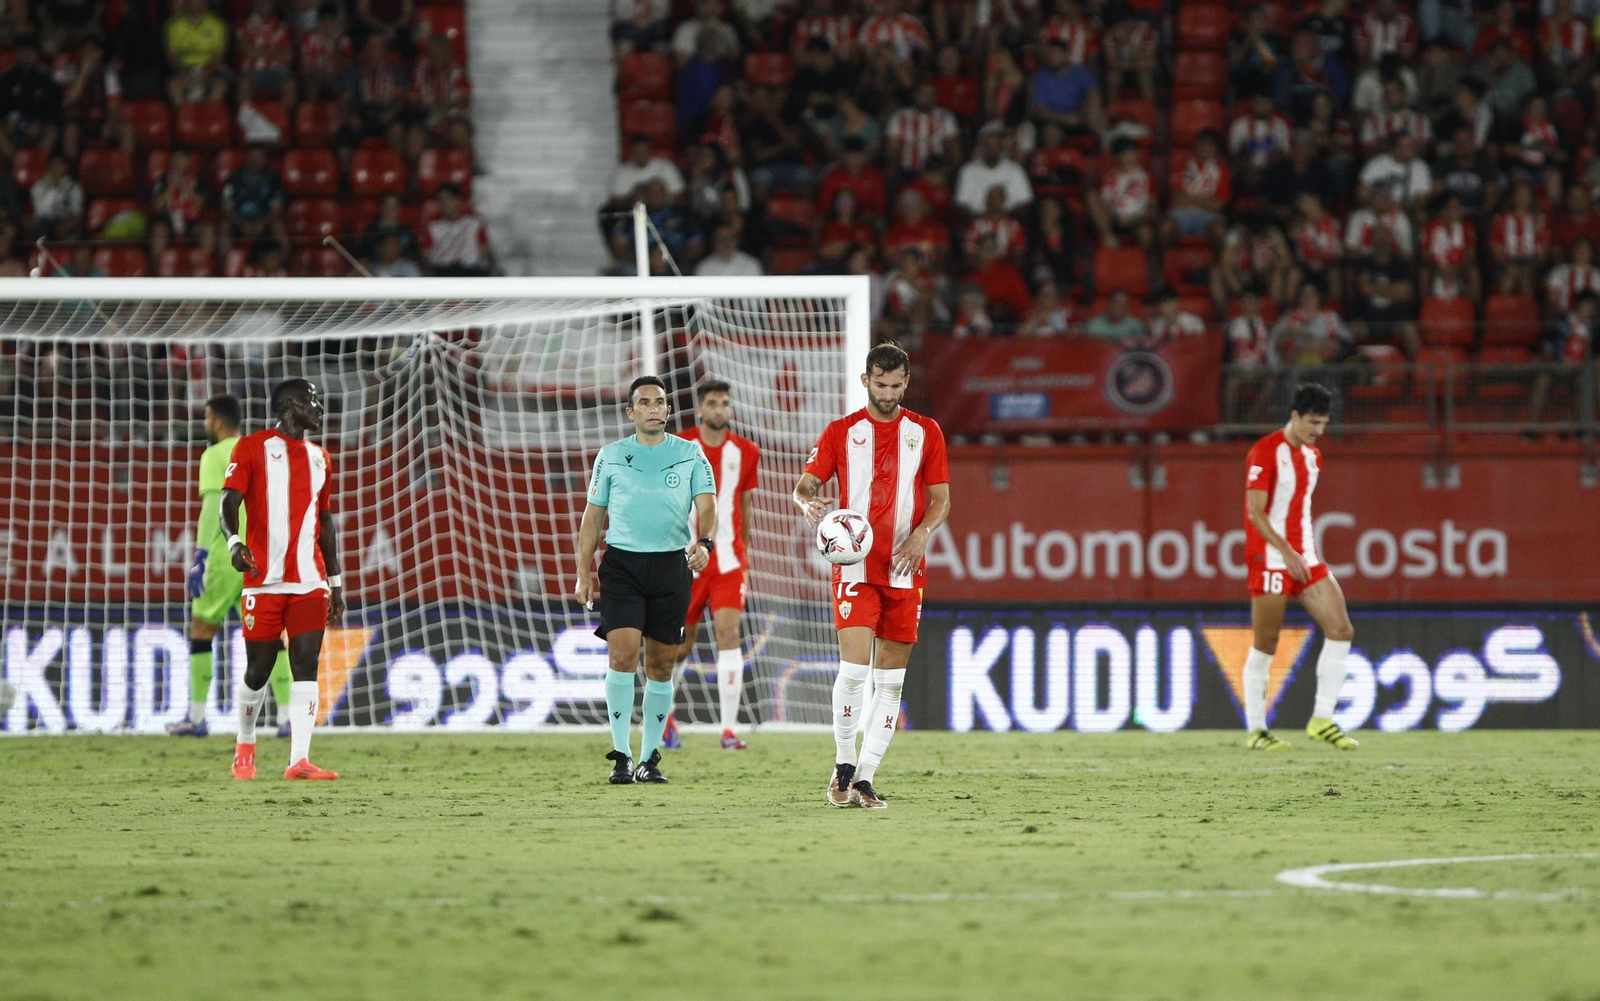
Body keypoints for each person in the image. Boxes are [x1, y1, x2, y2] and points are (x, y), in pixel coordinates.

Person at [792, 341, 950, 810]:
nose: (888, 392)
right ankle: (843, 764)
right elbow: (805, 486)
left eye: (896, 384)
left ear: (906, 382)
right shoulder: (841, 431)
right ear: (865, 381)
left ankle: (864, 778)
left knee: (892, 683)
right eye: (879, 384)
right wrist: (809, 504)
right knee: (855, 670)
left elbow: (941, 499)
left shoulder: (927, 432)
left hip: (904, 568)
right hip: (855, 567)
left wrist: (921, 535)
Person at [575, 376, 716, 785]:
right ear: (630, 412)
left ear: (668, 410)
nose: (654, 408)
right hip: (622, 567)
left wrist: (705, 542)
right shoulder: (611, 455)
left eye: (661, 402)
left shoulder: (690, 453)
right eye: (645, 402)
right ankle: (621, 754)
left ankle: (649, 758)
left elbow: (707, 506)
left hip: (671, 568)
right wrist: (583, 572)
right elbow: (592, 517)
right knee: (621, 656)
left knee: (660, 665)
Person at [219, 380, 345, 780]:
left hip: (310, 579)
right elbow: (229, 501)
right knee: (259, 669)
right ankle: (245, 743)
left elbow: (325, 521)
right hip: (264, 579)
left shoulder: (320, 457)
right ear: (292, 405)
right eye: (313, 400)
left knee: (306, 663)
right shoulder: (252, 447)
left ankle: (299, 761)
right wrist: (234, 542)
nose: (320, 407)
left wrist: (337, 582)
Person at [1241, 382, 1358, 751]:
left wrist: (1300, 553)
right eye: (1312, 422)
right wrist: (1286, 552)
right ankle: (1257, 730)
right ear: (1294, 415)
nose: (1318, 431)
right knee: (1267, 643)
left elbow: (1296, 509)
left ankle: (1322, 720)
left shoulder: (1313, 457)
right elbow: (1255, 512)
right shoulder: (1264, 451)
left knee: (1340, 629)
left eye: (1323, 423)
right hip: (1273, 559)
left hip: (1306, 557)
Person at [167, 395, 293, 738]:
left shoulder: (214, 455)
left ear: (217, 421)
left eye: (206, 418)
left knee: (202, 630)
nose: (204, 424)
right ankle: (286, 718)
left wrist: (201, 556)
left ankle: (196, 718)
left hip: (225, 557)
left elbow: (214, 508)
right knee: (269, 638)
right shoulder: (260, 451)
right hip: (259, 559)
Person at [663, 380, 759, 751]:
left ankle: (729, 729)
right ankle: (665, 719)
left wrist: (742, 551)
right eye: (713, 403)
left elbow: (746, 506)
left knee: (729, 635)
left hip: (728, 562)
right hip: (685, 561)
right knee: (678, 645)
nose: (720, 409)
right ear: (700, 409)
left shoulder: (747, 451)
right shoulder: (679, 447)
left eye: (725, 403)